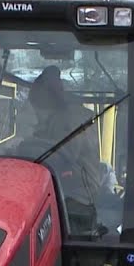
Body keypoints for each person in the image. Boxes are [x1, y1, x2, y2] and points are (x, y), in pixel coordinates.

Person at [25, 67, 105, 223]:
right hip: (63, 190)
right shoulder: (57, 120)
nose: (37, 117)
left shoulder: (71, 120)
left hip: (79, 197)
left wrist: (24, 149)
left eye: (38, 111)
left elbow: (60, 156)